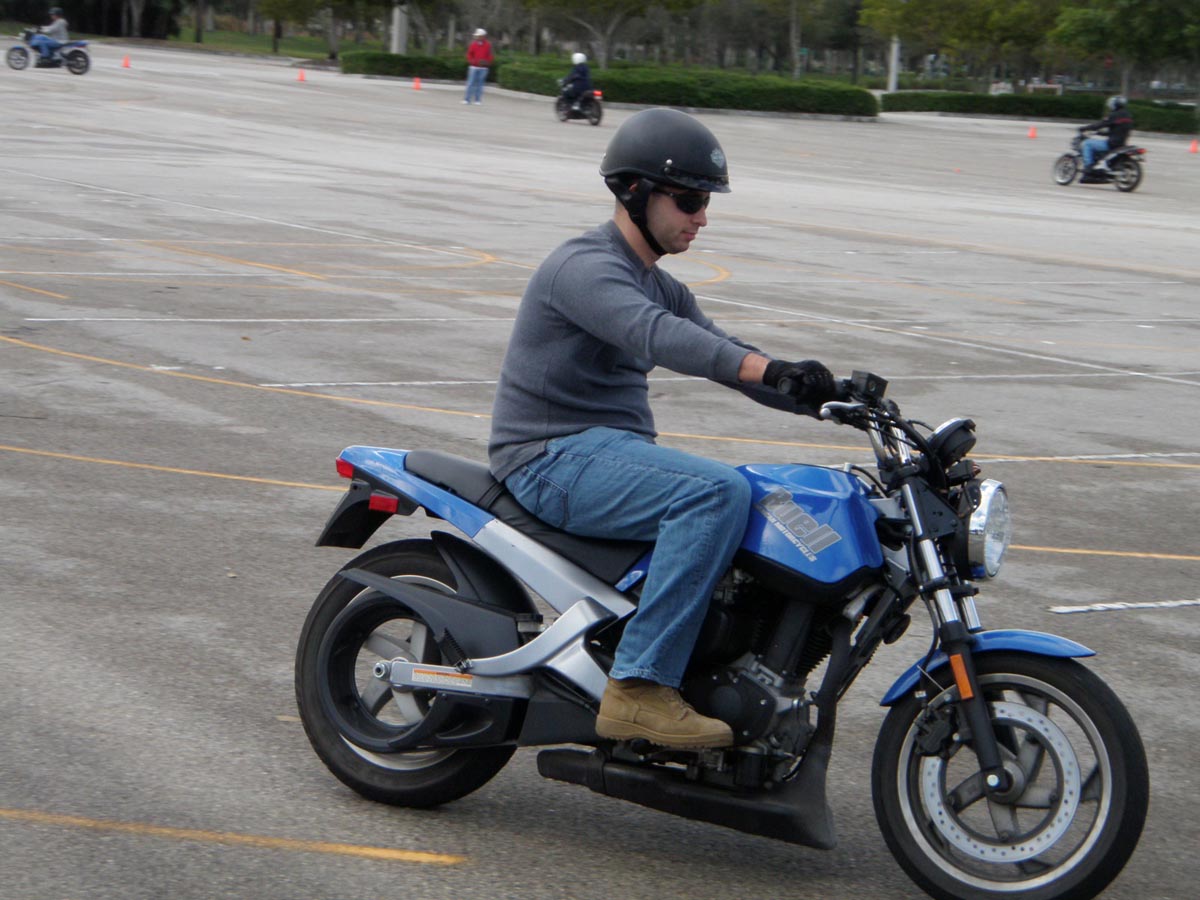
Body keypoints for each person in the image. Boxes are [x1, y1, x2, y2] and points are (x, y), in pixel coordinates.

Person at [488, 108, 843, 749]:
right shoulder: (584, 268)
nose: (702, 217)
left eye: (705, 202)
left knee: (766, 497)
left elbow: (725, 353)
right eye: (689, 200)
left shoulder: (660, 284)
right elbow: (659, 336)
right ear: (636, 191)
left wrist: (827, 398)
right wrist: (770, 369)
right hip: (546, 456)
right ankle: (639, 688)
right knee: (715, 492)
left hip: (603, 454)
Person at [1080, 96, 1134, 173]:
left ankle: (1088, 166)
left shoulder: (1113, 115)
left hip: (1111, 144)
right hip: (1121, 144)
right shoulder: (1128, 115)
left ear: (1115, 105)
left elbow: (1100, 125)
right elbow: (1117, 131)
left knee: (1087, 143)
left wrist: (1085, 128)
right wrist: (1100, 133)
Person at [463, 28, 494, 105]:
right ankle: (467, 99)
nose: (477, 37)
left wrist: (487, 62)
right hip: (473, 67)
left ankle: (477, 100)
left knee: (480, 84)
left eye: (479, 36)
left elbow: (490, 55)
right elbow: (469, 54)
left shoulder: (488, 45)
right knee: (470, 83)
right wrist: (472, 61)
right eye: (477, 36)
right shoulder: (473, 44)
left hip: (483, 68)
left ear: (483, 36)